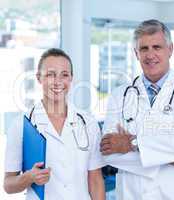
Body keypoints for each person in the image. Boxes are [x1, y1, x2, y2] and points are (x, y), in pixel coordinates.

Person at [100, 19, 174, 199]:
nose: (150, 55)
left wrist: (131, 144)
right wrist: (171, 158)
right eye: (144, 49)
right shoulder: (119, 95)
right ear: (136, 53)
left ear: (170, 49)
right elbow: (108, 152)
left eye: (157, 47)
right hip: (133, 194)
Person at [4, 48, 105, 200]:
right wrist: (29, 177)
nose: (57, 82)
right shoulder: (21, 125)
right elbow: (8, 185)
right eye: (50, 74)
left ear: (71, 78)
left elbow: (95, 180)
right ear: (39, 78)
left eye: (64, 75)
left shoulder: (88, 123)